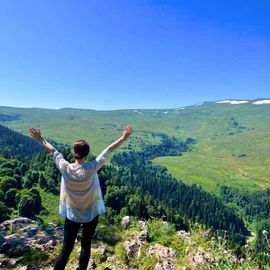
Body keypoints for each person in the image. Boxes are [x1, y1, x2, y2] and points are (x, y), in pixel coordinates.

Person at [28, 125, 133, 270]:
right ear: (87, 154)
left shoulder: (65, 168)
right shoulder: (92, 167)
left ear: (73, 153)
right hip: (91, 213)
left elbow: (52, 150)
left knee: (66, 249)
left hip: (72, 215)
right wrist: (123, 138)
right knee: (86, 245)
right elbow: (108, 150)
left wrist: (40, 139)